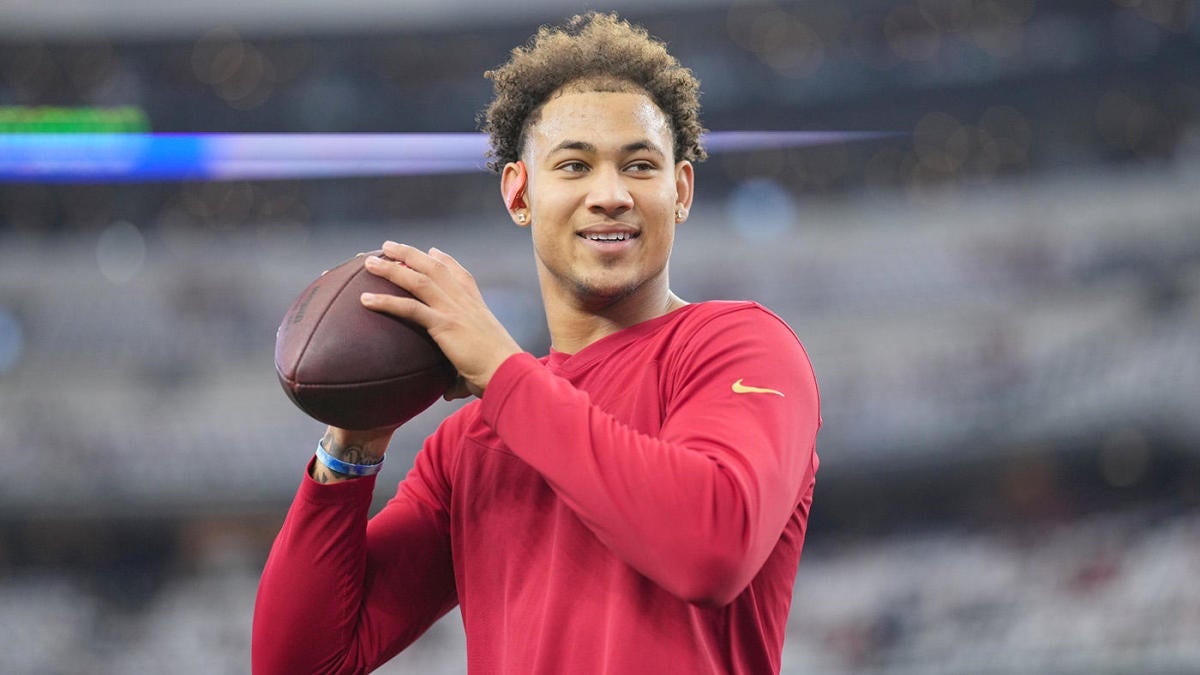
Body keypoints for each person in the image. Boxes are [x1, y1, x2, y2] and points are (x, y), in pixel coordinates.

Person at [253, 12, 821, 675]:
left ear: (680, 190)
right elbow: (297, 661)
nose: (609, 195)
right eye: (574, 164)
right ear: (520, 192)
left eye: (639, 165)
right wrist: (353, 442)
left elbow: (710, 549)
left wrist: (502, 373)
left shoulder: (739, 346)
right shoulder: (468, 446)